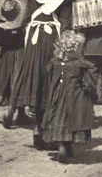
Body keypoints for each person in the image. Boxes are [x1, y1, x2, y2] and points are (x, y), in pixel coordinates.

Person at [11, 0, 75, 148]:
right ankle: (50, 129)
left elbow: (26, 16)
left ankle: (37, 127)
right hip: (53, 40)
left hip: (33, 39)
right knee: (52, 82)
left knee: (36, 79)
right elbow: (66, 25)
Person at [41, 30, 97, 163]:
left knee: (58, 119)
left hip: (57, 96)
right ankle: (67, 146)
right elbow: (87, 83)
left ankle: (61, 145)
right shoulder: (79, 65)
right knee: (73, 119)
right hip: (74, 96)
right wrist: (90, 92)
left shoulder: (54, 63)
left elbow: (48, 79)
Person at [0, 0, 32, 112]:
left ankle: (13, 109)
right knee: (19, 78)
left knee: (8, 78)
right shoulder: (26, 14)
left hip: (6, 51)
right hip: (21, 50)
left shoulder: (3, 11)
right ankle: (18, 111)